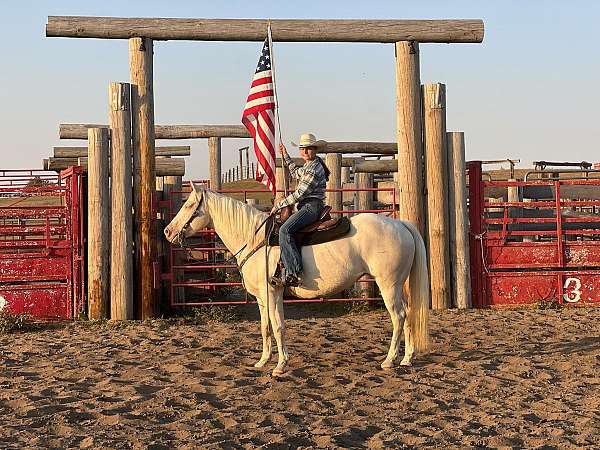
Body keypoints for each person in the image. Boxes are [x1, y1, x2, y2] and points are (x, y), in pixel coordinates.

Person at [270, 133, 330, 287]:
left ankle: (293, 272)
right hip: (308, 205)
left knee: (284, 230)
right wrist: (285, 156)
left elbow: (299, 194)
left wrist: (279, 205)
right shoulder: (309, 166)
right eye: (303, 148)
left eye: (309, 148)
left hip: (312, 206)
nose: (305, 151)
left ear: (315, 150)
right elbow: (295, 173)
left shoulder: (313, 170)